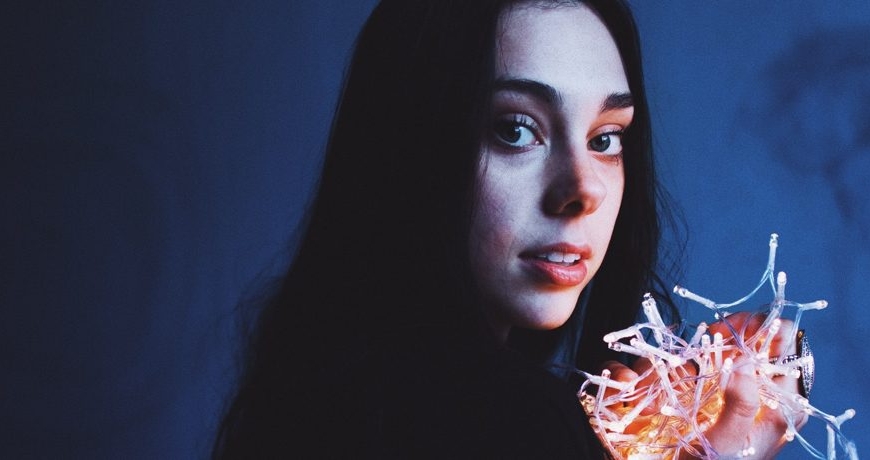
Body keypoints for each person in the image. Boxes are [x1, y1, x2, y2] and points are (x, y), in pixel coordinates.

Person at [213, 1, 805, 458]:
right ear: (409, 144)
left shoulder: (308, 394)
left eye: (605, 139)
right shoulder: (512, 423)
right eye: (516, 130)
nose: (583, 189)